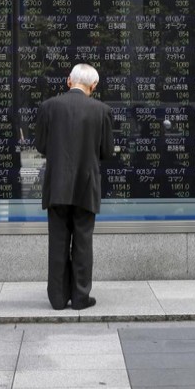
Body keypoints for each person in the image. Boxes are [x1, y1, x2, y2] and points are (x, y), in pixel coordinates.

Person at [35, 63, 113, 310]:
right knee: (83, 241)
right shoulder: (102, 110)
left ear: (69, 81)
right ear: (94, 85)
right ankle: (80, 297)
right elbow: (107, 151)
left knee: (57, 241)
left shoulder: (48, 107)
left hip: (57, 184)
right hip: (86, 185)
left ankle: (57, 298)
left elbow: (40, 145)